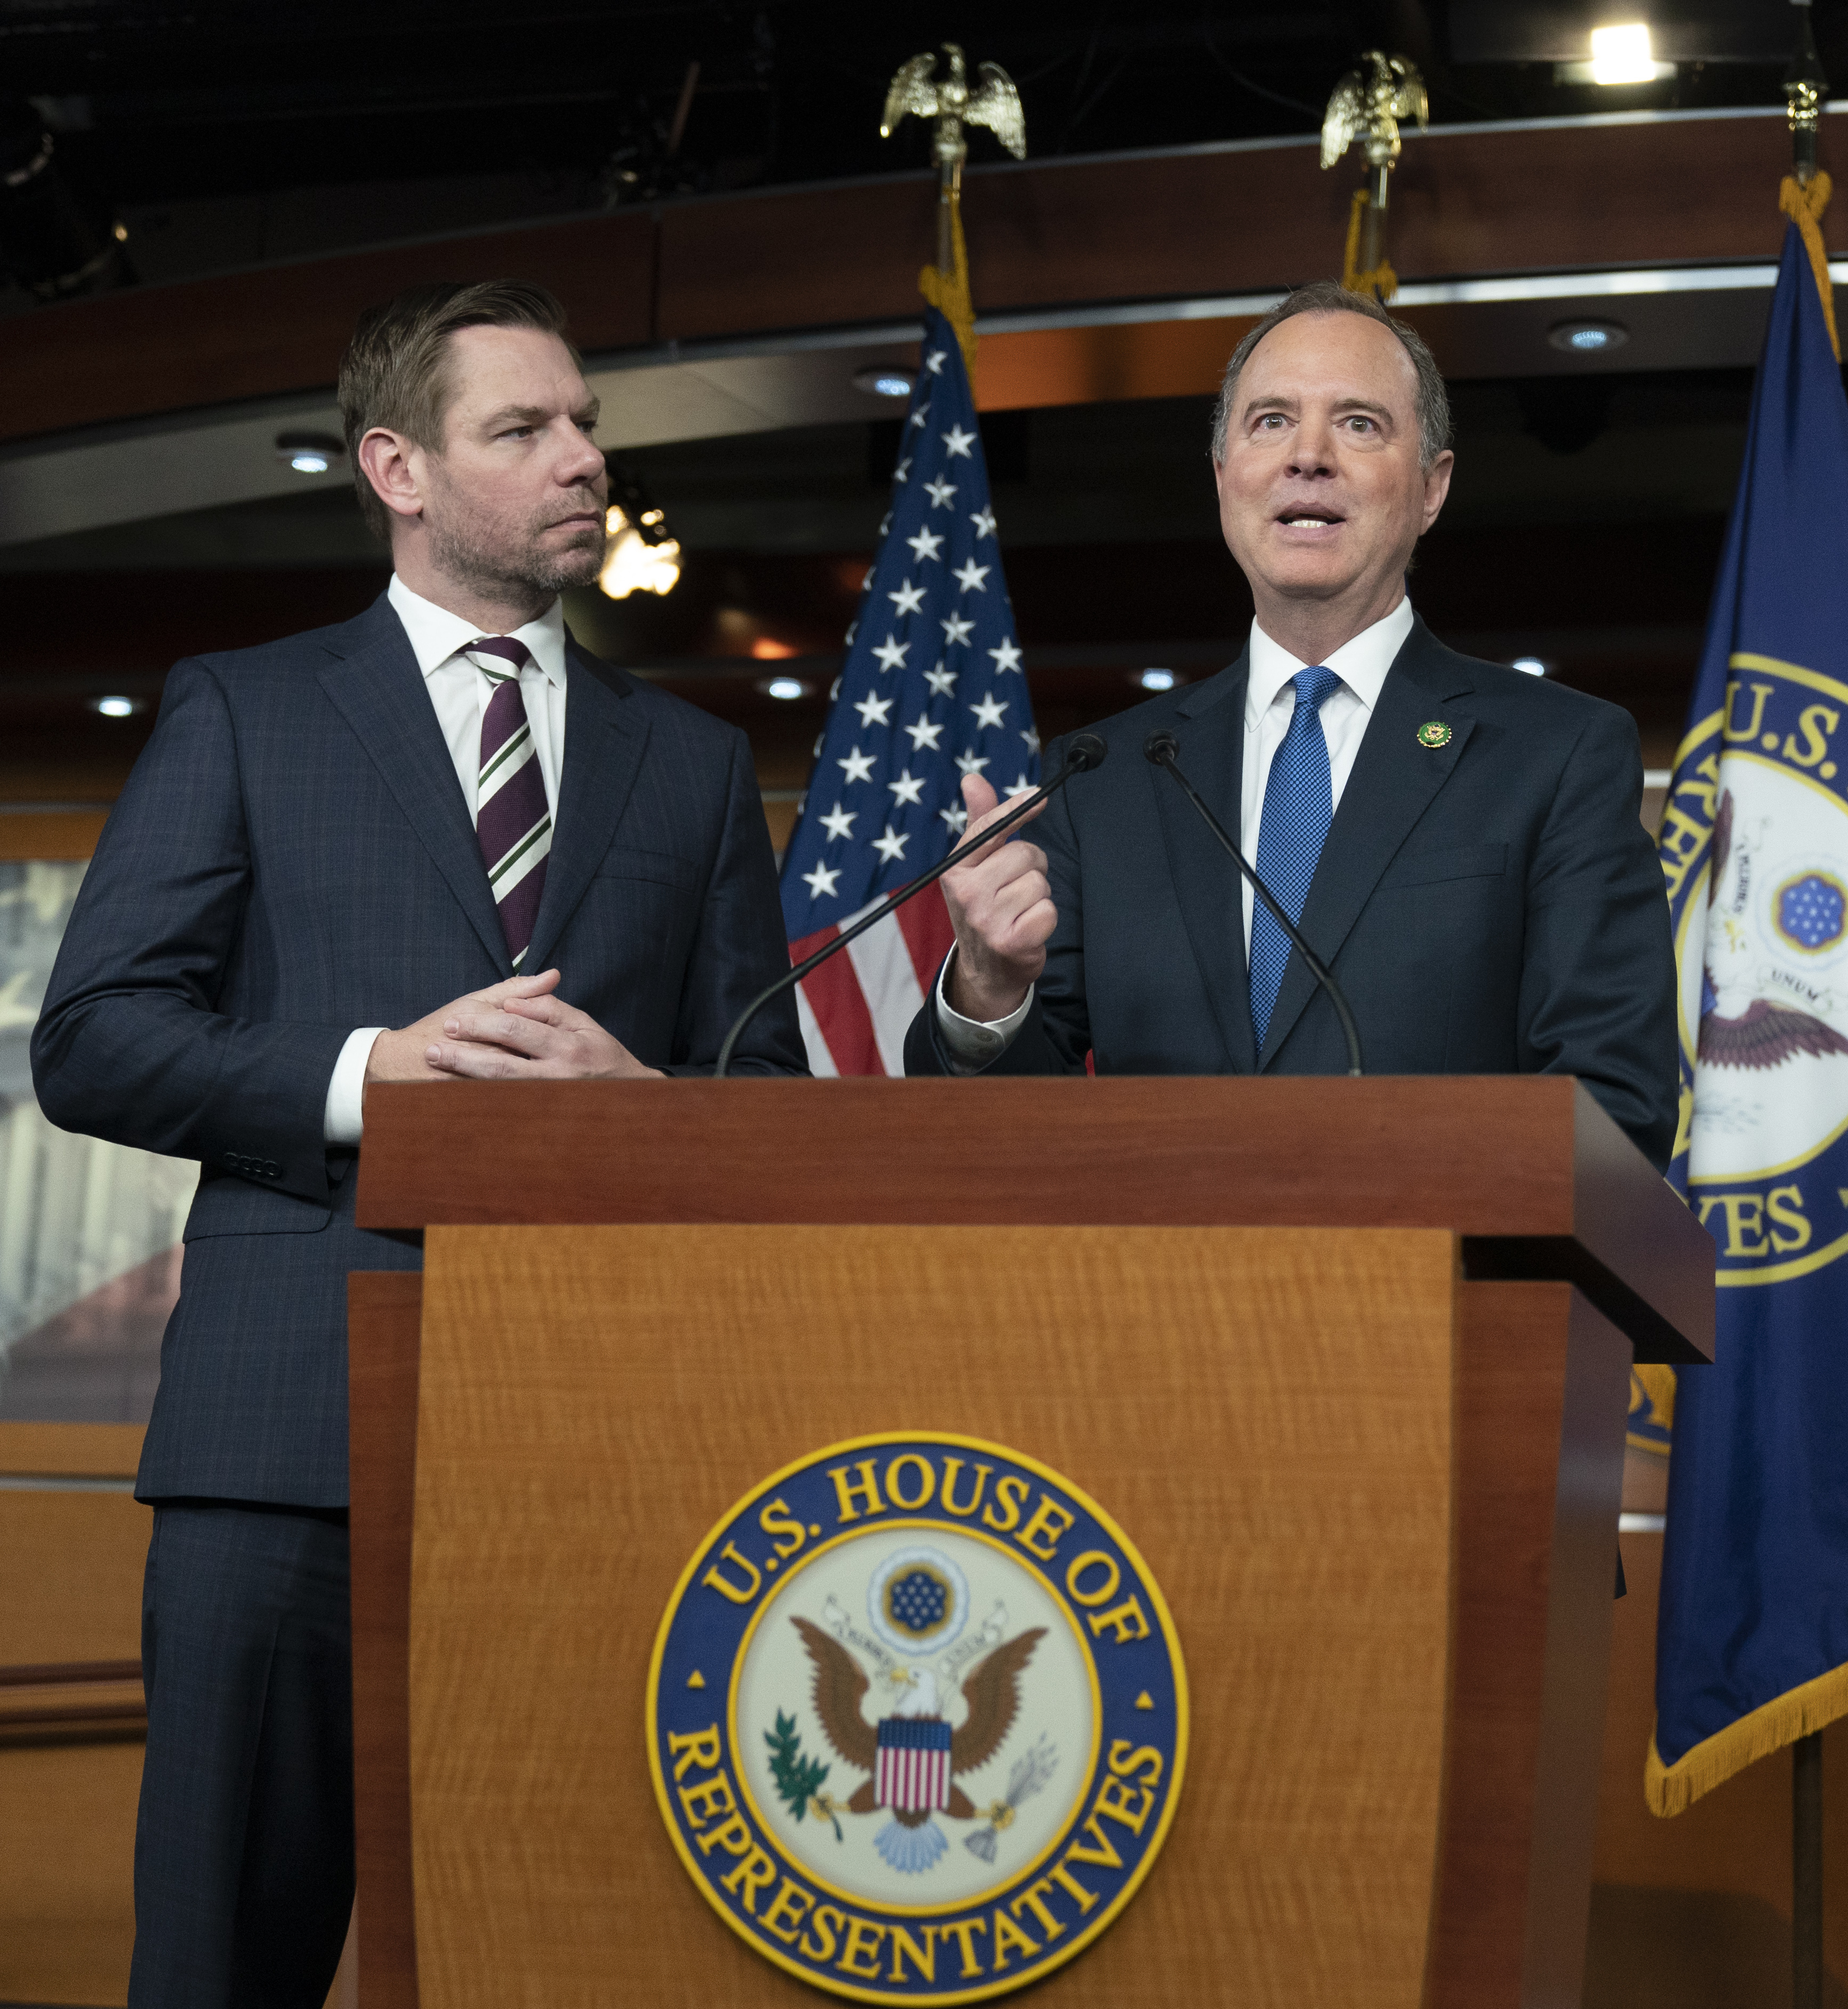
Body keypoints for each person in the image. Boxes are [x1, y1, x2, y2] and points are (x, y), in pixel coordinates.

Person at [33, 278, 804, 2007]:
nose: (583, 458)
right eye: (524, 429)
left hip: (590, 1456)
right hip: (280, 1444)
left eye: (588, 422)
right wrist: (374, 1073)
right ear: (396, 464)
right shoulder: (246, 709)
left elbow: (769, 1118)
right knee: (223, 1962)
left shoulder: (690, 766)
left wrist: (652, 1118)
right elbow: (92, 1038)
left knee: (563, 1958)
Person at [900, 280, 1681, 1168]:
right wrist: (989, 991)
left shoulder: (1557, 754)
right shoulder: (1101, 775)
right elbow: (1010, 1141)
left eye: (1358, 423)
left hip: (1430, 1290)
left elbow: (1617, 1106)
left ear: (1431, 487)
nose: (1307, 456)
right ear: (1224, 476)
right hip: (1154, 1293)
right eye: (1270, 421)